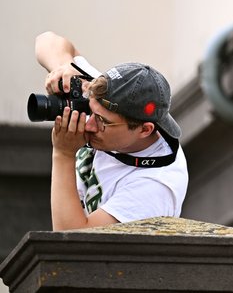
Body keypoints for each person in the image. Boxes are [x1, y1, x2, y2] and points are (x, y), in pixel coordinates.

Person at [35, 31, 188, 231]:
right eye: (91, 110)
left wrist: (63, 153)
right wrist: (64, 66)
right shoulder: (106, 93)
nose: (89, 125)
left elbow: (72, 241)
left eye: (102, 121)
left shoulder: (156, 186)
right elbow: (46, 40)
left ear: (144, 129)